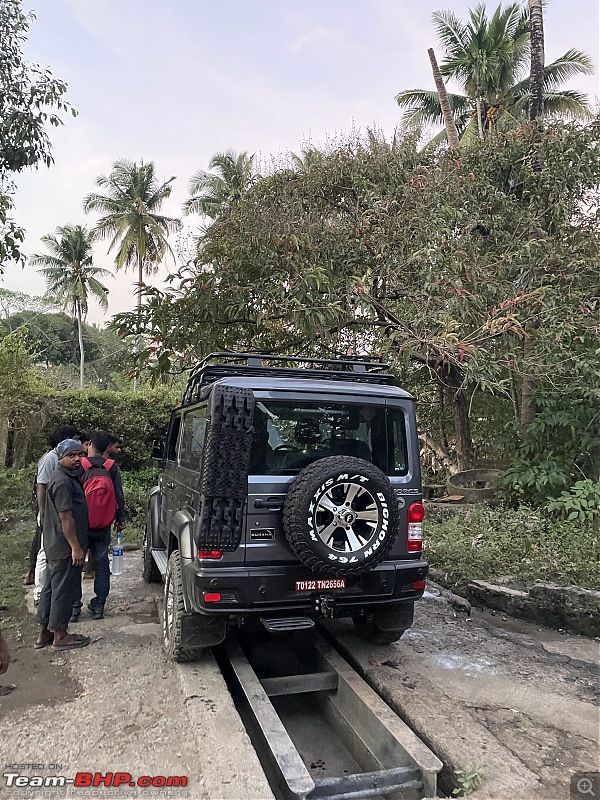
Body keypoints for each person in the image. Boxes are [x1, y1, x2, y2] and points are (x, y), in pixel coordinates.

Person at [35, 439, 90, 651]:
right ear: (60, 457)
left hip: (55, 544)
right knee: (63, 590)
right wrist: (76, 547)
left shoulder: (64, 476)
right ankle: (60, 635)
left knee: (50, 588)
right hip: (64, 546)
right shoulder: (63, 482)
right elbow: (66, 519)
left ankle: (44, 634)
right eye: (72, 456)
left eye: (79, 455)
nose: (77, 459)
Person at [72, 429, 126, 621]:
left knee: (76, 565)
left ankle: (74, 607)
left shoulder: (80, 465)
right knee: (102, 564)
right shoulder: (111, 467)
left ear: (90, 445)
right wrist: (120, 519)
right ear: (106, 448)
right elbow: (118, 496)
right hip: (103, 524)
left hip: (81, 525)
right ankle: (98, 606)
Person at [25, 425, 80, 596]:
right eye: (75, 438)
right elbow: (41, 486)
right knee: (44, 551)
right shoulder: (50, 459)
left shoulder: (65, 460)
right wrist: (43, 514)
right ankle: (40, 591)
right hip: (50, 512)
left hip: (58, 510)